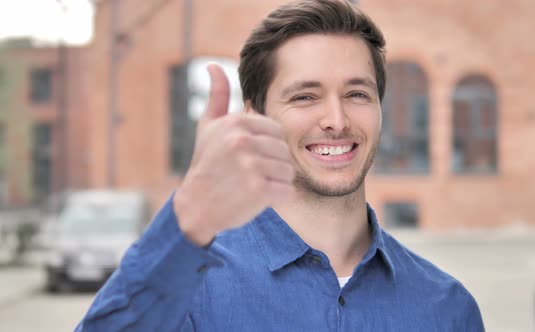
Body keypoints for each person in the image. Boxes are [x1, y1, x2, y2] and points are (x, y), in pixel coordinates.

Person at [76, 0, 485, 331]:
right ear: (256, 116)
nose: (337, 121)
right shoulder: (189, 293)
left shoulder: (447, 308)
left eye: (357, 94)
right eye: (305, 96)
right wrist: (187, 216)